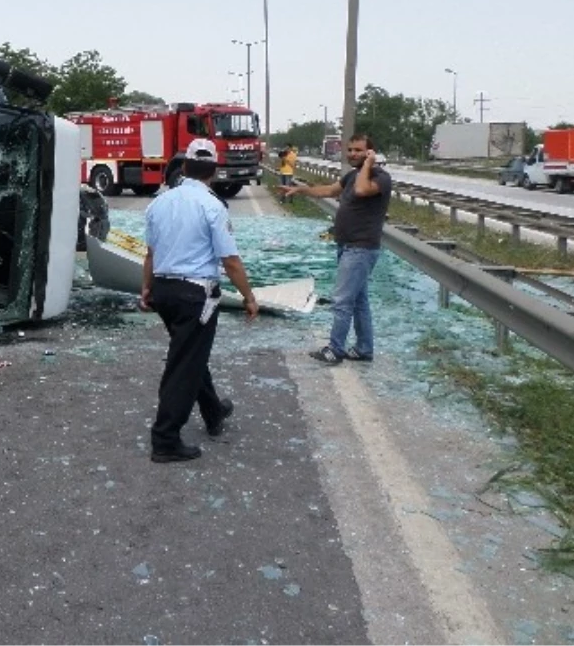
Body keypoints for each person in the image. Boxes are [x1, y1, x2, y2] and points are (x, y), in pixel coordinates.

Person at [141, 138, 258, 463]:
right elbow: (230, 260)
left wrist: (146, 290)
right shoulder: (212, 205)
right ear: (215, 170)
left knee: (189, 353)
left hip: (164, 291)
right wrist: (249, 297)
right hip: (195, 296)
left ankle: (213, 411)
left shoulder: (159, 203)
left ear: (185, 166)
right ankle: (165, 438)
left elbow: (150, 254)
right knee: (184, 363)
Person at [281, 133, 392, 364]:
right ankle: (364, 348)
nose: (352, 154)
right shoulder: (352, 175)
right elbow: (330, 190)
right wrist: (301, 190)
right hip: (347, 246)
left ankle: (335, 350)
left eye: (359, 150)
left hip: (360, 249)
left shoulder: (381, 178)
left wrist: (369, 164)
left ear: (370, 152)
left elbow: (362, 191)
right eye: (350, 150)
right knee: (359, 301)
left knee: (341, 300)